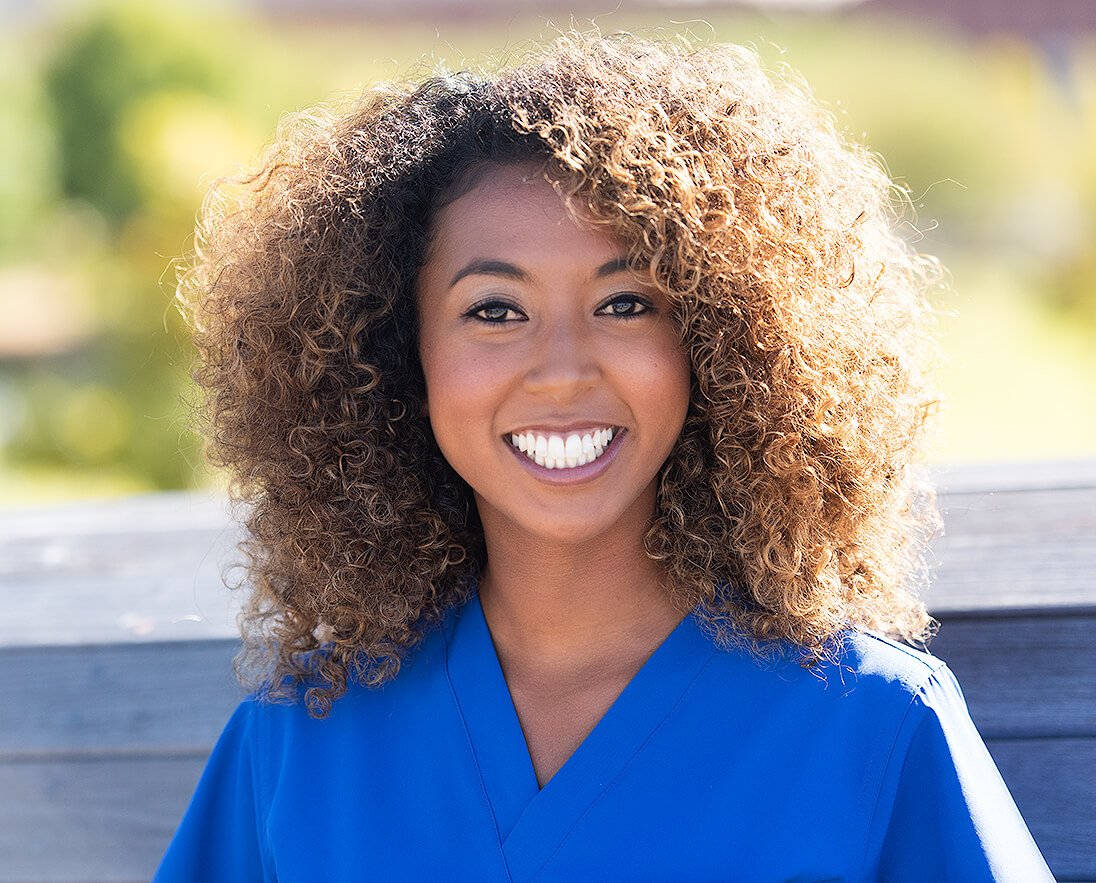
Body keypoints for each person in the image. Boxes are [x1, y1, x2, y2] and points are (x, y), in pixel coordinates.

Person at [155, 31, 1053, 881]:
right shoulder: (302, 741)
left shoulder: (868, 723)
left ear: (718, 341)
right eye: (495, 310)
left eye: (625, 303)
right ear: (397, 356)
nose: (561, 371)